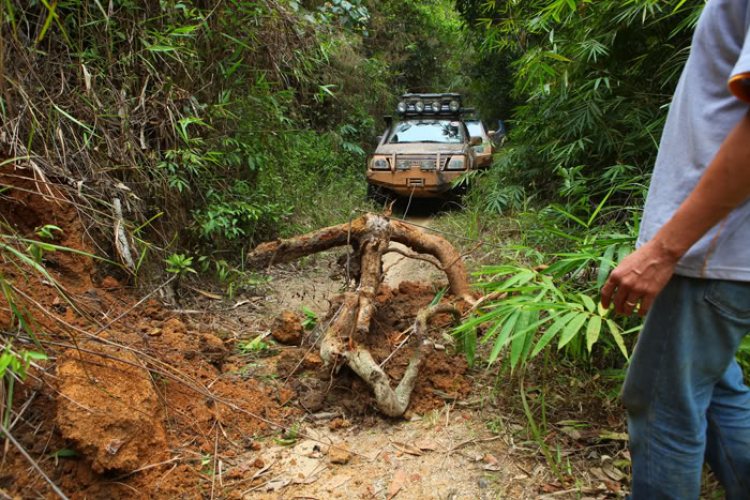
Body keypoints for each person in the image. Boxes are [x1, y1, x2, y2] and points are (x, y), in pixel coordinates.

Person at [600, 1, 750, 498]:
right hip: (721, 253)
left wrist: (666, 250)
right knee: (716, 393)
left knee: (664, 406)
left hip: (714, 254)